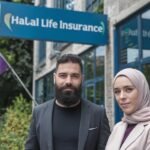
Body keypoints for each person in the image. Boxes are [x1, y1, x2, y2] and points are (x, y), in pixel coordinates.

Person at [25, 54, 110, 150]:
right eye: (63, 75)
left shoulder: (98, 114)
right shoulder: (38, 113)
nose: (68, 81)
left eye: (74, 76)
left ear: (82, 79)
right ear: (54, 78)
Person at [105, 68, 150, 150]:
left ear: (142, 91)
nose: (121, 97)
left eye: (129, 89)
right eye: (117, 91)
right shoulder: (117, 127)